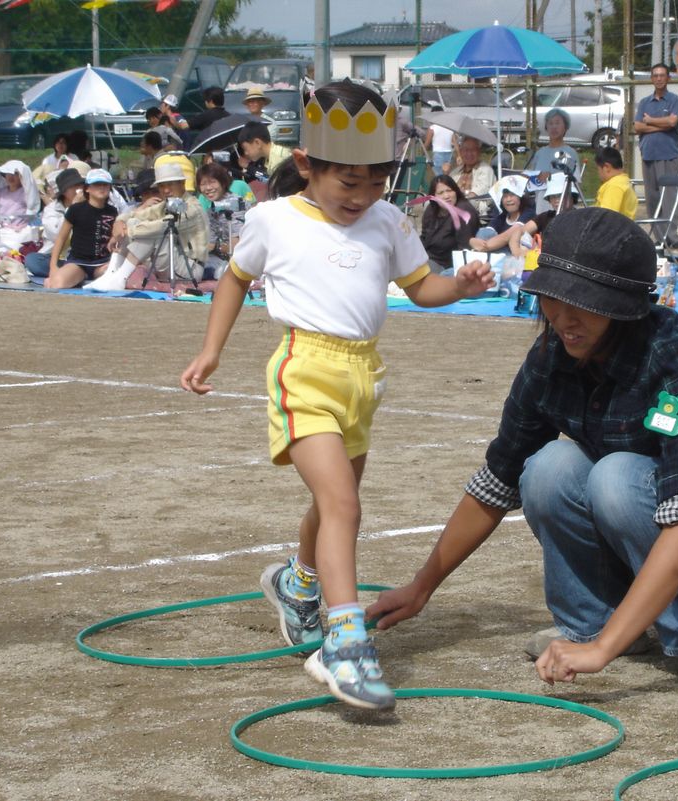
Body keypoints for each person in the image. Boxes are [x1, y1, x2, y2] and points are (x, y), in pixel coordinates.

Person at [367, 207, 678, 686]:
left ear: (624, 306)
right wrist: (421, 588)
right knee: (546, 467)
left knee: (617, 476)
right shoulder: (552, 355)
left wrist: (602, 653)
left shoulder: (677, 359)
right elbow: (495, 482)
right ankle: (590, 620)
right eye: (552, 299)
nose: (564, 319)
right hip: (654, 530)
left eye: (584, 304)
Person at [179, 80, 495, 710]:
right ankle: (343, 644)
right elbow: (235, 280)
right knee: (345, 506)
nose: (363, 196)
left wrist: (460, 286)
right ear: (306, 165)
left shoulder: (388, 220)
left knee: (332, 507)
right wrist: (212, 349)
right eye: (348, 182)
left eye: (375, 181)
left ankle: (298, 585)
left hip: (363, 379)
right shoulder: (274, 219)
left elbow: (421, 288)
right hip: (305, 372)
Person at [97, 161, 208, 290]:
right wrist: (119, 222)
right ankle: (113, 272)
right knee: (134, 223)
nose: (166, 190)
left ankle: (120, 277)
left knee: (154, 232)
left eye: (170, 184)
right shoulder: (167, 204)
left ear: (182, 183)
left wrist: (127, 231)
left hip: (189, 269)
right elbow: (138, 215)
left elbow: (163, 226)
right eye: (161, 186)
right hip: (167, 264)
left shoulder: (192, 207)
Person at [633, 63, 678, 239]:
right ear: (651, 79)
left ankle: (672, 238)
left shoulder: (674, 100)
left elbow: (672, 123)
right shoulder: (645, 102)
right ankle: (659, 239)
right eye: (655, 75)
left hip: (669, 156)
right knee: (652, 200)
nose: (659, 78)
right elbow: (637, 126)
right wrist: (660, 125)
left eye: (662, 75)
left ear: (668, 78)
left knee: (669, 198)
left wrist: (651, 121)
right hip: (648, 155)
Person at [46, 169, 118, 289]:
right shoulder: (75, 209)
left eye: (105, 185)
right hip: (78, 263)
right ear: (87, 189)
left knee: (116, 276)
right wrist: (53, 266)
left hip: (102, 263)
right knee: (57, 284)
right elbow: (61, 238)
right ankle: (77, 276)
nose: (101, 188)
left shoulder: (113, 211)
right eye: (96, 184)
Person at [26, 167, 86, 279]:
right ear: (64, 191)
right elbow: (56, 234)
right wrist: (73, 208)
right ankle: (72, 274)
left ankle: (74, 273)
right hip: (55, 257)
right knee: (32, 260)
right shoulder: (51, 209)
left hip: (79, 257)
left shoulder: (88, 206)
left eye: (80, 185)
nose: (78, 189)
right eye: (73, 186)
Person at [197, 162, 250, 281]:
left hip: (243, 258)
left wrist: (217, 247)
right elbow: (210, 243)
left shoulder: (236, 204)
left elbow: (236, 245)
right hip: (221, 258)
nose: (208, 188)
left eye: (212, 182)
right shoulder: (211, 210)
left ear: (223, 182)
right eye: (203, 184)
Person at [419, 174, 480, 273]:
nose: (446, 196)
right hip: (426, 258)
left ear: (456, 191)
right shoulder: (431, 209)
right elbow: (424, 237)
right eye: (441, 193)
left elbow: (464, 249)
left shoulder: (463, 212)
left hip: (447, 266)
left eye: (449, 191)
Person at [526, 108, 580, 182]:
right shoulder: (540, 153)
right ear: (546, 127)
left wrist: (550, 178)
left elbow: (575, 182)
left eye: (557, 123)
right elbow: (530, 177)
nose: (554, 127)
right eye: (550, 123)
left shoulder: (569, 153)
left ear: (565, 127)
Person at [447, 135, 495, 217]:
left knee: (466, 203)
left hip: (475, 208)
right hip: (455, 203)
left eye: (473, 150)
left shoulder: (486, 169)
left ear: (479, 152)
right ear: (461, 152)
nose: (469, 153)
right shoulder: (456, 171)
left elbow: (475, 195)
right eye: (466, 150)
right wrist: (446, 174)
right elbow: (446, 189)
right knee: (430, 202)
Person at [593, 147, 637, 220]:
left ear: (607, 167)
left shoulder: (614, 186)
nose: (598, 174)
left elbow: (606, 217)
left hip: (614, 230)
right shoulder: (623, 182)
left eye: (598, 169)